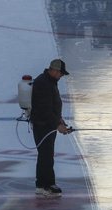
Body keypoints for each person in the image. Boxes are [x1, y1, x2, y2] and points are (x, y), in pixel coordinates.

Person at [30, 59, 70, 197]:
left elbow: (52, 105)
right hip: (42, 125)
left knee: (47, 155)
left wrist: (59, 120)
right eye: (61, 73)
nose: (61, 76)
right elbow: (45, 109)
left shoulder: (50, 82)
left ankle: (48, 183)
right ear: (54, 70)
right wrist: (57, 125)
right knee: (45, 155)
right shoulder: (43, 83)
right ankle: (43, 186)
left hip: (48, 124)